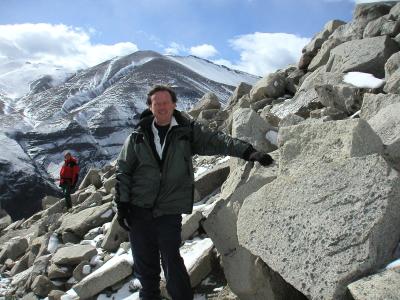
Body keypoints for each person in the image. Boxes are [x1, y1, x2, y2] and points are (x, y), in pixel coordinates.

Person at [115, 85, 273, 300]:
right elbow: (123, 170)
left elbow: (216, 140)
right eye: (156, 103)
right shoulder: (137, 137)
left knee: (171, 259)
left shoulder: (187, 131)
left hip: (168, 210)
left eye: (165, 102)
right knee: (145, 266)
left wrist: (248, 151)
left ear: (174, 104)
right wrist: (122, 206)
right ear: (150, 107)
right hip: (138, 209)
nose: (161, 107)